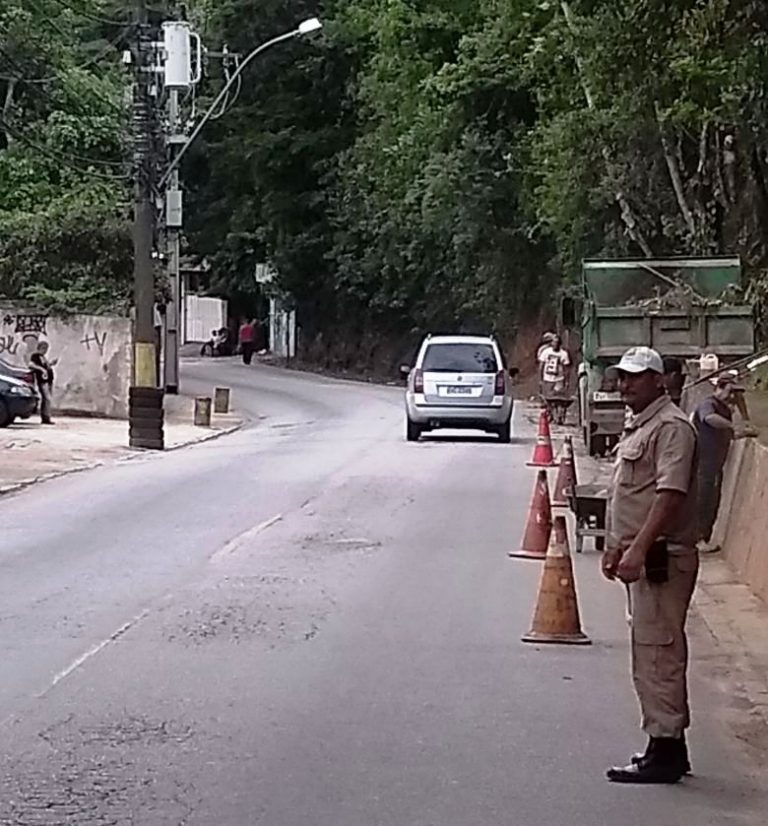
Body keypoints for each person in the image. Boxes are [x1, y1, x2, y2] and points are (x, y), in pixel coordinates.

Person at [603, 346, 698, 784]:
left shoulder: (671, 428)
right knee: (650, 651)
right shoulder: (641, 425)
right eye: (622, 376)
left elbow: (669, 494)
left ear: (659, 380)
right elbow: (629, 493)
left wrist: (639, 549)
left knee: (659, 653)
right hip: (643, 557)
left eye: (635, 377)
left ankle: (666, 750)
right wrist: (615, 545)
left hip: (662, 558)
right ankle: (665, 745)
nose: (625, 384)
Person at [691, 376, 752, 553]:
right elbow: (709, 418)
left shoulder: (725, 408)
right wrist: (732, 426)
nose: (732, 397)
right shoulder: (709, 405)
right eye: (730, 391)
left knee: (713, 501)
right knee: (703, 499)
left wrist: (744, 419)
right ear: (719, 388)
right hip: (704, 462)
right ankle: (698, 538)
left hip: (715, 462)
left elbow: (731, 431)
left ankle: (704, 536)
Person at [29, 341, 57, 425]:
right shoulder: (35, 356)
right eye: (44, 349)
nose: (45, 351)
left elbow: (44, 366)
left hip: (48, 380)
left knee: (47, 399)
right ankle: (46, 417)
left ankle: (46, 416)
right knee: (47, 398)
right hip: (43, 380)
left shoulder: (43, 357)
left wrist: (50, 364)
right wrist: (42, 369)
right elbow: (31, 365)